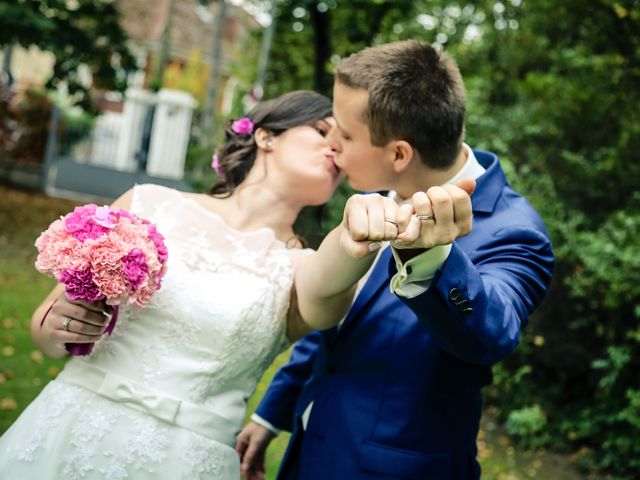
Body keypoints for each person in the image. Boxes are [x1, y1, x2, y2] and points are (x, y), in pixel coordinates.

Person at [0, 90, 415, 479]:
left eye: (343, 143)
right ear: (267, 137)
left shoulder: (301, 268)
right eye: (323, 131)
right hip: (68, 426)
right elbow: (47, 330)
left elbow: (331, 281)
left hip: (180, 462)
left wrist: (362, 226)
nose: (335, 149)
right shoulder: (147, 203)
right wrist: (60, 328)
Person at [237, 40, 555, 480]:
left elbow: (491, 337)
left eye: (344, 134)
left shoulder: (515, 231)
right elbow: (341, 319)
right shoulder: (375, 192)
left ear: (400, 154)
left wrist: (431, 257)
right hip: (309, 453)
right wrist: (272, 413)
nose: (329, 142)